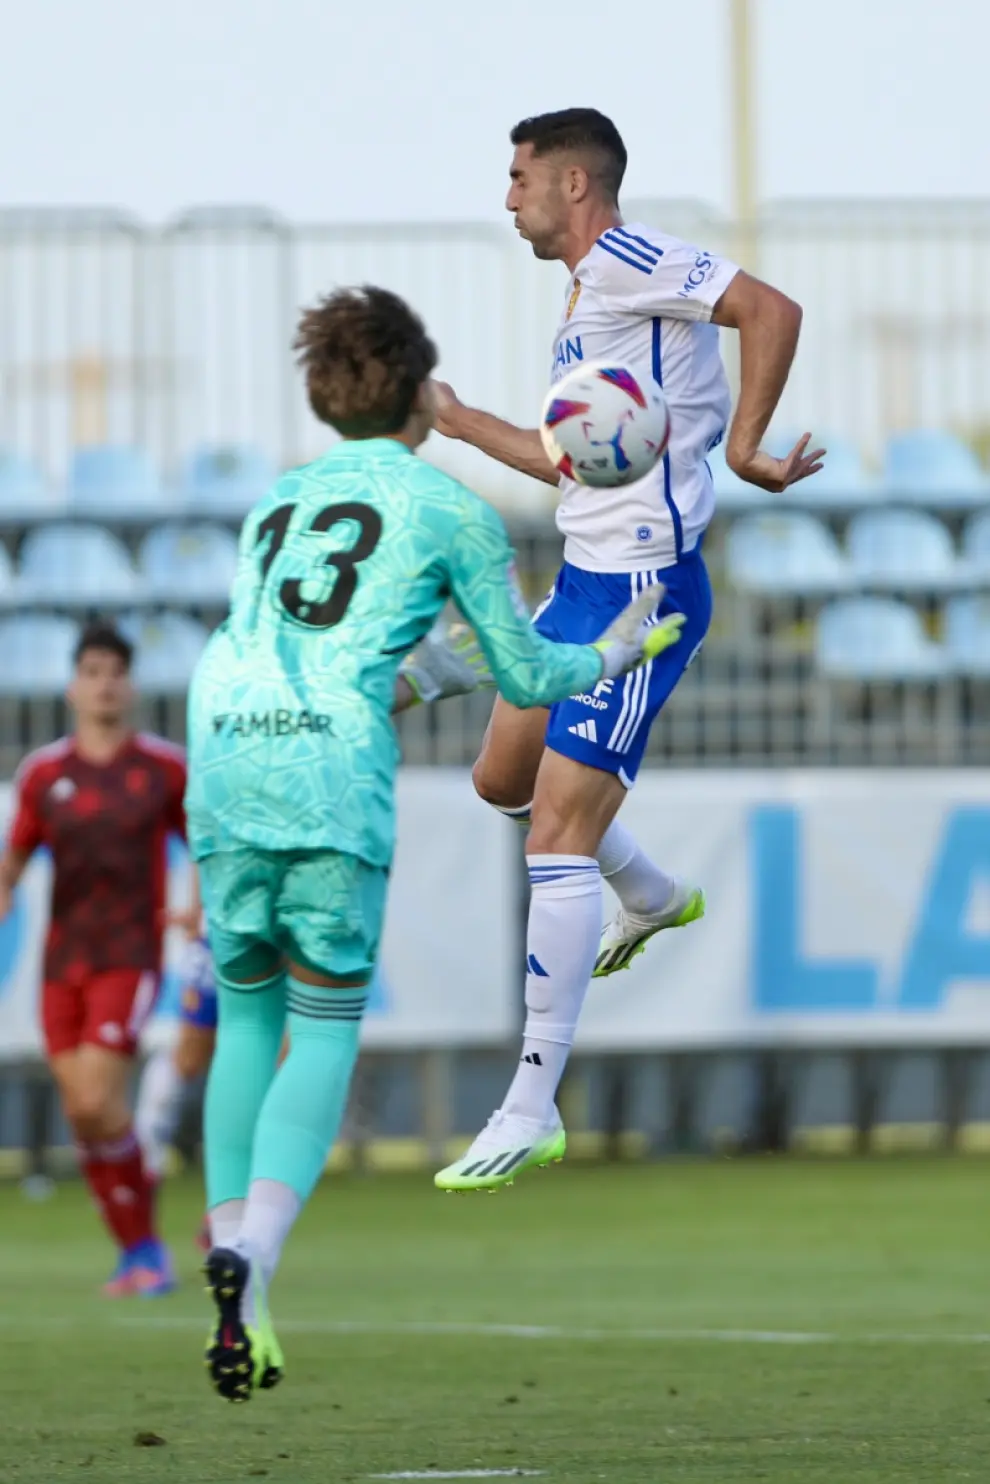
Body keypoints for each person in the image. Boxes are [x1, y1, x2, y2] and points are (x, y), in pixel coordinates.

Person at [186, 283, 681, 1401]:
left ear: (322, 394)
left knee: (244, 1015)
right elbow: (532, 675)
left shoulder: (278, 501)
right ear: (420, 390)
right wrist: (617, 647)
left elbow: (312, 649)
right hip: (325, 771)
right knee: (318, 1024)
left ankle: (240, 1286)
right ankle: (255, 1250)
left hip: (219, 747)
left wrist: (430, 668)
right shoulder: (451, 509)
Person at [431, 108, 825, 1191]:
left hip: (642, 596)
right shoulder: (589, 305)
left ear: (571, 183)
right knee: (499, 778)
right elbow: (572, 459)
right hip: (580, 580)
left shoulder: (629, 256)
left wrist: (743, 446)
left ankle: (529, 1103)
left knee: (554, 832)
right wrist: (462, 421)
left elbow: (770, 308)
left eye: (518, 176)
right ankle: (648, 890)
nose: (507, 194)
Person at [133, 623, 493, 1230]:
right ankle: (164, 1171)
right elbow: (208, 808)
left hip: (303, 889)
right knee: (207, 1047)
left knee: (280, 1045)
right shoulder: (238, 687)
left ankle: (239, 1209)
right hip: (242, 896)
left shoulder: (305, 682)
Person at [0, 622, 184, 1294]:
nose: (105, 684)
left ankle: (145, 1251)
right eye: (93, 671)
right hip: (60, 962)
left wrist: (201, 909)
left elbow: (209, 848)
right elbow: (15, 856)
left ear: (130, 686)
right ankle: (137, 1248)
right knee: (85, 1112)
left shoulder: (162, 769)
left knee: (97, 1096)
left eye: (116, 671)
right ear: (73, 686)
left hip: (129, 957)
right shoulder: (46, 774)